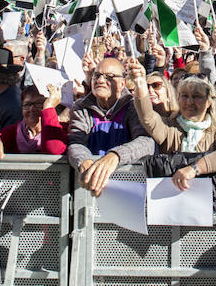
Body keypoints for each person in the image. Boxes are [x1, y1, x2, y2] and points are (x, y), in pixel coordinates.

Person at [129, 60, 216, 190]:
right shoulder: (169, 128)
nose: (189, 102)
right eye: (184, 95)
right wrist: (139, 83)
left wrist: (195, 168)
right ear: (178, 99)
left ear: (208, 102)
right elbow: (147, 117)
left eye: (196, 96)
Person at [66, 57, 155, 196]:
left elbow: (146, 142)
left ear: (122, 83)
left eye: (109, 77)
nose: (101, 80)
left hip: (128, 187)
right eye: (97, 75)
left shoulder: (133, 105)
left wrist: (115, 156)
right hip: (90, 189)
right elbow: (76, 141)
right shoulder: (81, 107)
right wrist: (83, 160)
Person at [0, 83, 68, 162]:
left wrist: (49, 107)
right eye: (27, 104)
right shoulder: (14, 131)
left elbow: (53, 150)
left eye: (39, 104)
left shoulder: (61, 129)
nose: (31, 109)